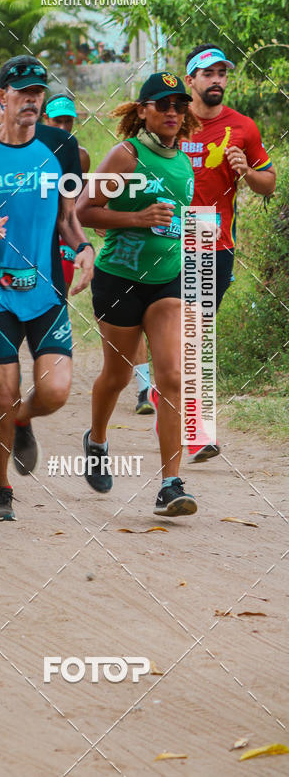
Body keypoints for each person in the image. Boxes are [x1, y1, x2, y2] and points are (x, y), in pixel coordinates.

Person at [0, 54, 94, 521]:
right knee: (2, 395)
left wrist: (84, 247)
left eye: (38, 93)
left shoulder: (62, 145)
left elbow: (68, 217)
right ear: (2, 97)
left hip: (46, 290)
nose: (32, 100)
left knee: (55, 392)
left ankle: (23, 419)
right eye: (23, 92)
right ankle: (0, 488)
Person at [76, 71, 200, 517]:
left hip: (168, 279)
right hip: (119, 279)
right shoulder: (126, 156)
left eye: (179, 105)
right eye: (163, 104)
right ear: (143, 110)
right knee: (118, 376)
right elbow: (84, 211)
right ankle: (96, 440)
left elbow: (179, 220)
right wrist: (138, 218)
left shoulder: (183, 162)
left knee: (172, 377)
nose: (172, 112)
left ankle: (170, 484)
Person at [182, 43, 276, 462]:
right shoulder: (171, 120)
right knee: (181, 334)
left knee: (197, 334)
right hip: (164, 235)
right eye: (208, 73)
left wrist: (247, 171)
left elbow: (269, 183)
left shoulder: (242, 127)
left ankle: (192, 425)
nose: (217, 80)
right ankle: (184, 417)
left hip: (210, 236)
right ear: (191, 80)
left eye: (222, 73)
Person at [43, 94, 91, 297]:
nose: (63, 127)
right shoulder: (32, 151)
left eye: (68, 121)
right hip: (38, 229)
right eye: (57, 121)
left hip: (66, 230)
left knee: (61, 288)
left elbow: (82, 196)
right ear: (46, 119)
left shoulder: (80, 156)